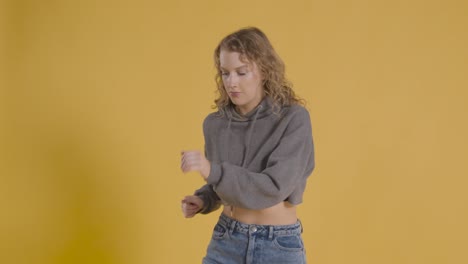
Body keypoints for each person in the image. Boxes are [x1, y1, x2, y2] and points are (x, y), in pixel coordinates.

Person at [180, 27, 315, 264]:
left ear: (263, 71)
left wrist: (211, 169)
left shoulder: (293, 119)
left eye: (241, 72)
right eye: (225, 73)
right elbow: (223, 184)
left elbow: (273, 187)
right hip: (226, 240)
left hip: (277, 246)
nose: (231, 82)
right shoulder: (215, 124)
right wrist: (204, 199)